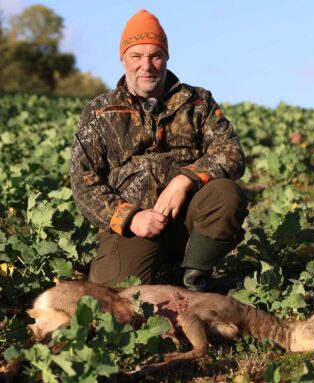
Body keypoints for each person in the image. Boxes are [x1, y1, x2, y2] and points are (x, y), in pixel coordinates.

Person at [70, 9, 248, 291]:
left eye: (155, 55)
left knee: (226, 193)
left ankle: (194, 279)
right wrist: (130, 217)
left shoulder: (197, 102)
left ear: (166, 57)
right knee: (115, 300)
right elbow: (84, 183)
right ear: (123, 59)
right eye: (136, 56)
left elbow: (231, 153)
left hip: (187, 220)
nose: (147, 66)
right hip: (134, 228)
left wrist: (185, 180)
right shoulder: (100, 112)